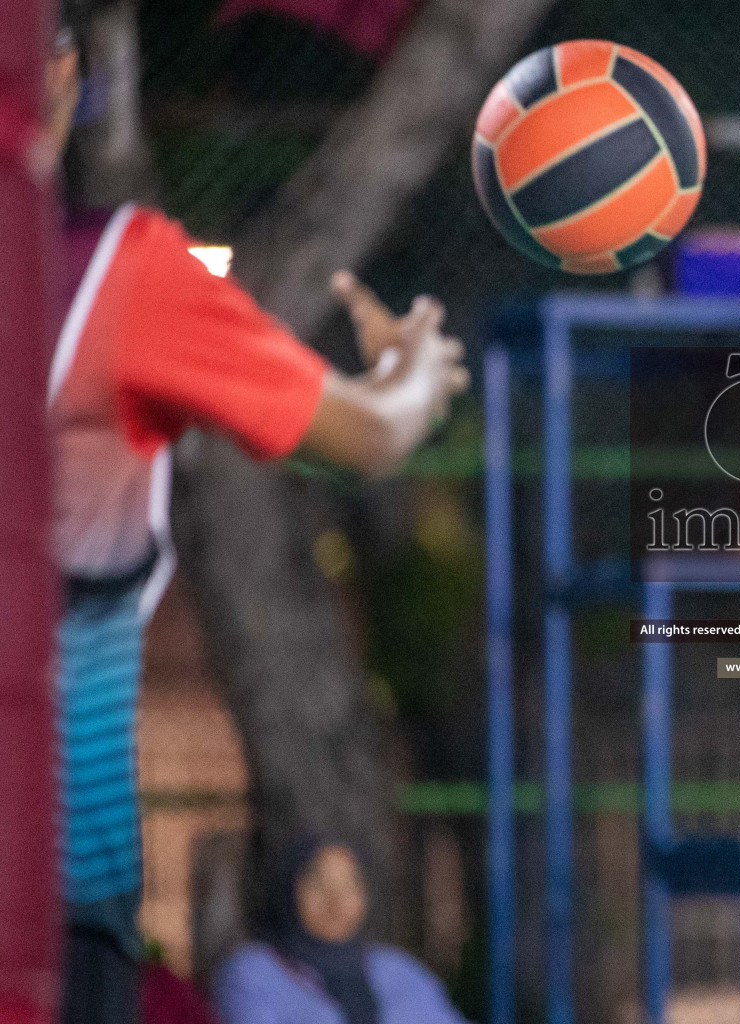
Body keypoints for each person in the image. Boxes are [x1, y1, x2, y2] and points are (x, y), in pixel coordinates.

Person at [42, 19, 468, 1023]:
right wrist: (415, 368)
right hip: (55, 862)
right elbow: (368, 433)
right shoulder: (115, 273)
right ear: (58, 75)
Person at [214, 836, 470, 1024]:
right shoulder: (251, 974)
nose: (336, 900)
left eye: (350, 885)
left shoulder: (399, 971)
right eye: (318, 884)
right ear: (286, 890)